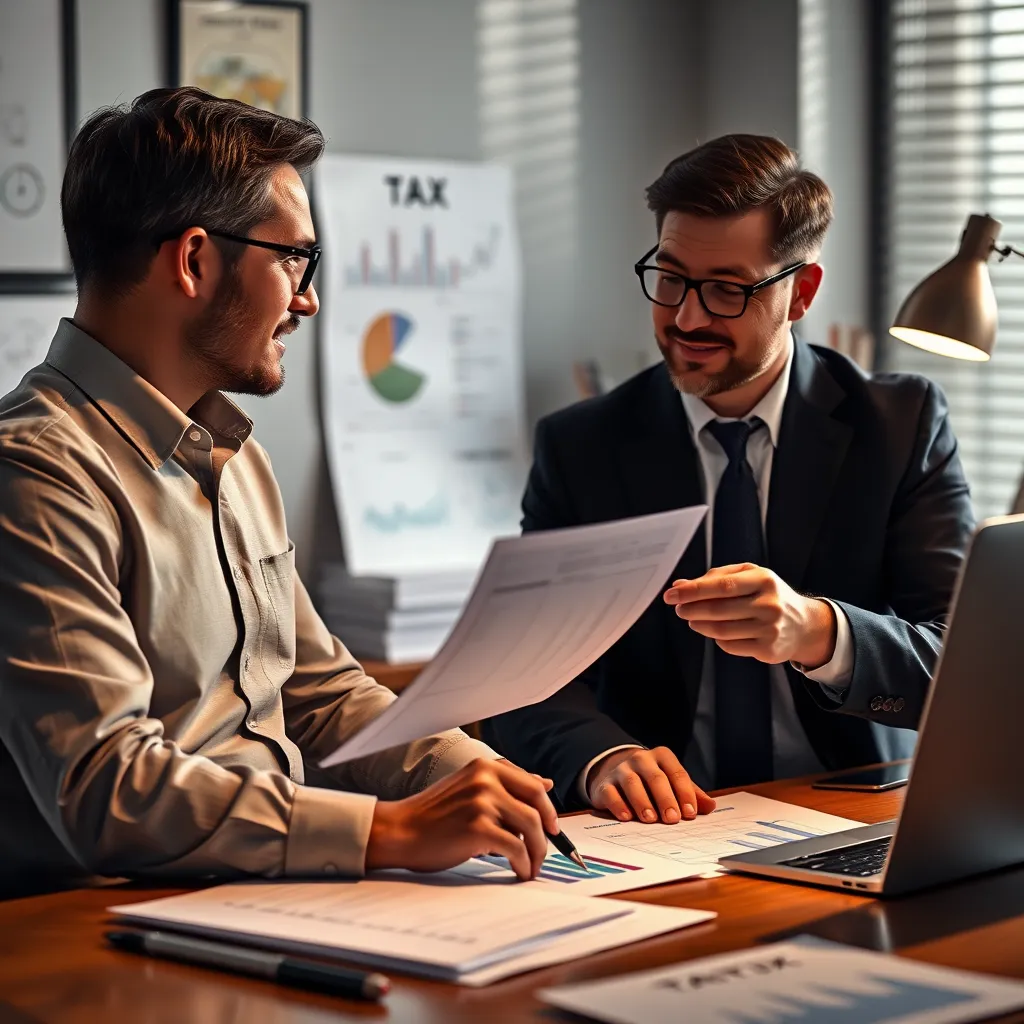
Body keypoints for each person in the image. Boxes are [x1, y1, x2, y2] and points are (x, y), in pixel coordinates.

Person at [0, 87, 558, 887]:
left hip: (266, 901)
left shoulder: (229, 453)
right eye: (293, 258)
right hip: (107, 934)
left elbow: (320, 692)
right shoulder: (34, 471)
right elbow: (105, 787)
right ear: (193, 260)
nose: (309, 298)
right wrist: (387, 831)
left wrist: (474, 774)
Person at [482, 134, 974, 826]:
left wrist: (818, 633)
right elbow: (524, 670)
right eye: (672, 277)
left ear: (800, 292)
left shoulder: (898, 426)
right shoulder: (581, 445)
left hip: (854, 813)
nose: (687, 317)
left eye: (726, 290)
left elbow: (966, 666)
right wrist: (603, 759)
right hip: (666, 827)